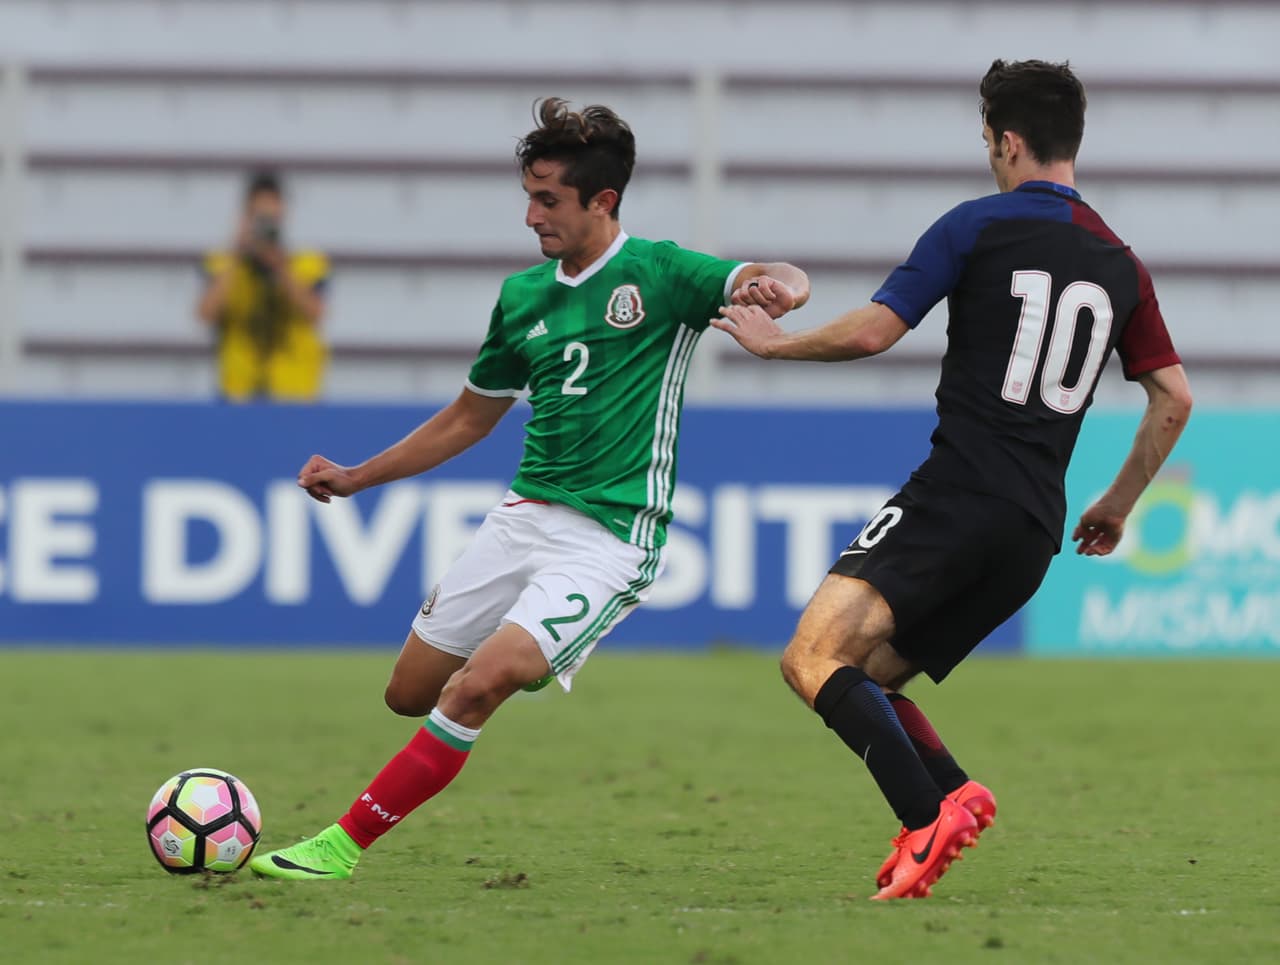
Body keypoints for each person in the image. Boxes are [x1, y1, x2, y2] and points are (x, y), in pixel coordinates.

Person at [248, 98, 810, 880]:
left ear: (602, 201)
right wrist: (356, 477)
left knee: (480, 684)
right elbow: (467, 419)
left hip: (610, 540)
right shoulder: (522, 298)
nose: (530, 216)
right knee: (409, 694)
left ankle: (338, 846)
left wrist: (783, 289)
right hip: (519, 521)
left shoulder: (661, 272)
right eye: (529, 195)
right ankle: (520, 655)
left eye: (547, 199)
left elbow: (771, 273)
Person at [713, 59, 1191, 900]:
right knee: (871, 677)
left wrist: (777, 344)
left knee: (810, 657)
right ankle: (952, 794)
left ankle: (925, 814)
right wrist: (1114, 504)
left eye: (988, 142)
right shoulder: (1122, 263)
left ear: (1008, 141)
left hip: (959, 494)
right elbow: (1172, 398)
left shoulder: (975, 226)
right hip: (1034, 530)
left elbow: (872, 333)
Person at [196, 170, 329, 401]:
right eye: (259, 218)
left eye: (271, 219)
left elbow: (316, 313)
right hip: (237, 397)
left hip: (295, 397)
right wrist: (237, 253)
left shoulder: (308, 265)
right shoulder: (222, 264)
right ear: (246, 216)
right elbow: (206, 313)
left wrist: (281, 268)